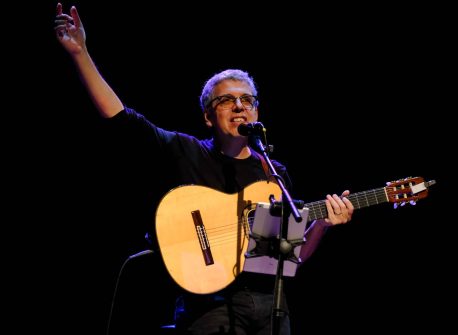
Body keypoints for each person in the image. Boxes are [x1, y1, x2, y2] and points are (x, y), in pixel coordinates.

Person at [54, 3, 354, 334]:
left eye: (247, 100)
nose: (239, 106)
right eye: (227, 100)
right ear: (208, 116)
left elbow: (287, 258)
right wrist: (80, 54)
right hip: (207, 306)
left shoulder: (273, 172)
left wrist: (323, 223)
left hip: (271, 307)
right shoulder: (187, 152)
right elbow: (123, 121)